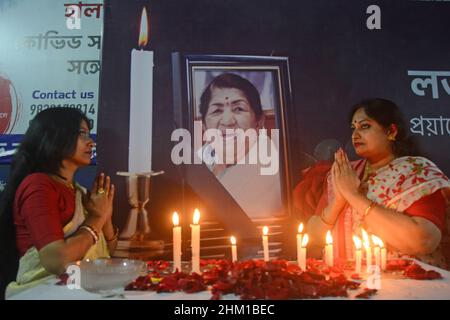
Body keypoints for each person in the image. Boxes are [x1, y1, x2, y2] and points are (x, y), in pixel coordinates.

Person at [302, 98, 450, 268]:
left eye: (364, 126)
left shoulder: (416, 172)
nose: (355, 135)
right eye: (353, 128)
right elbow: (313, 236)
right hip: (348, 283)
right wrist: (338, 201)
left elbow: (423, 241)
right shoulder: (345, 173)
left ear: (391, 131)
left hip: (407, 284)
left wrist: (354, 196)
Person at [0, 107, 117, 299]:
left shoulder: (79, 191)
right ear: (56, 137)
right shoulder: (38, 185)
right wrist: (97, 217)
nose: (91, 142)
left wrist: (106, 215)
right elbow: (56, 260)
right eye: (82, 134)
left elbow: (104, 254)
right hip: (42, 293)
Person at [197, 73, 282, 220]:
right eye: (217, 111)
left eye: (239, 109)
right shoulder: (203, 156)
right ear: (204, 126)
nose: (228, 121)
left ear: (259, 122)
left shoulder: (271, 165)